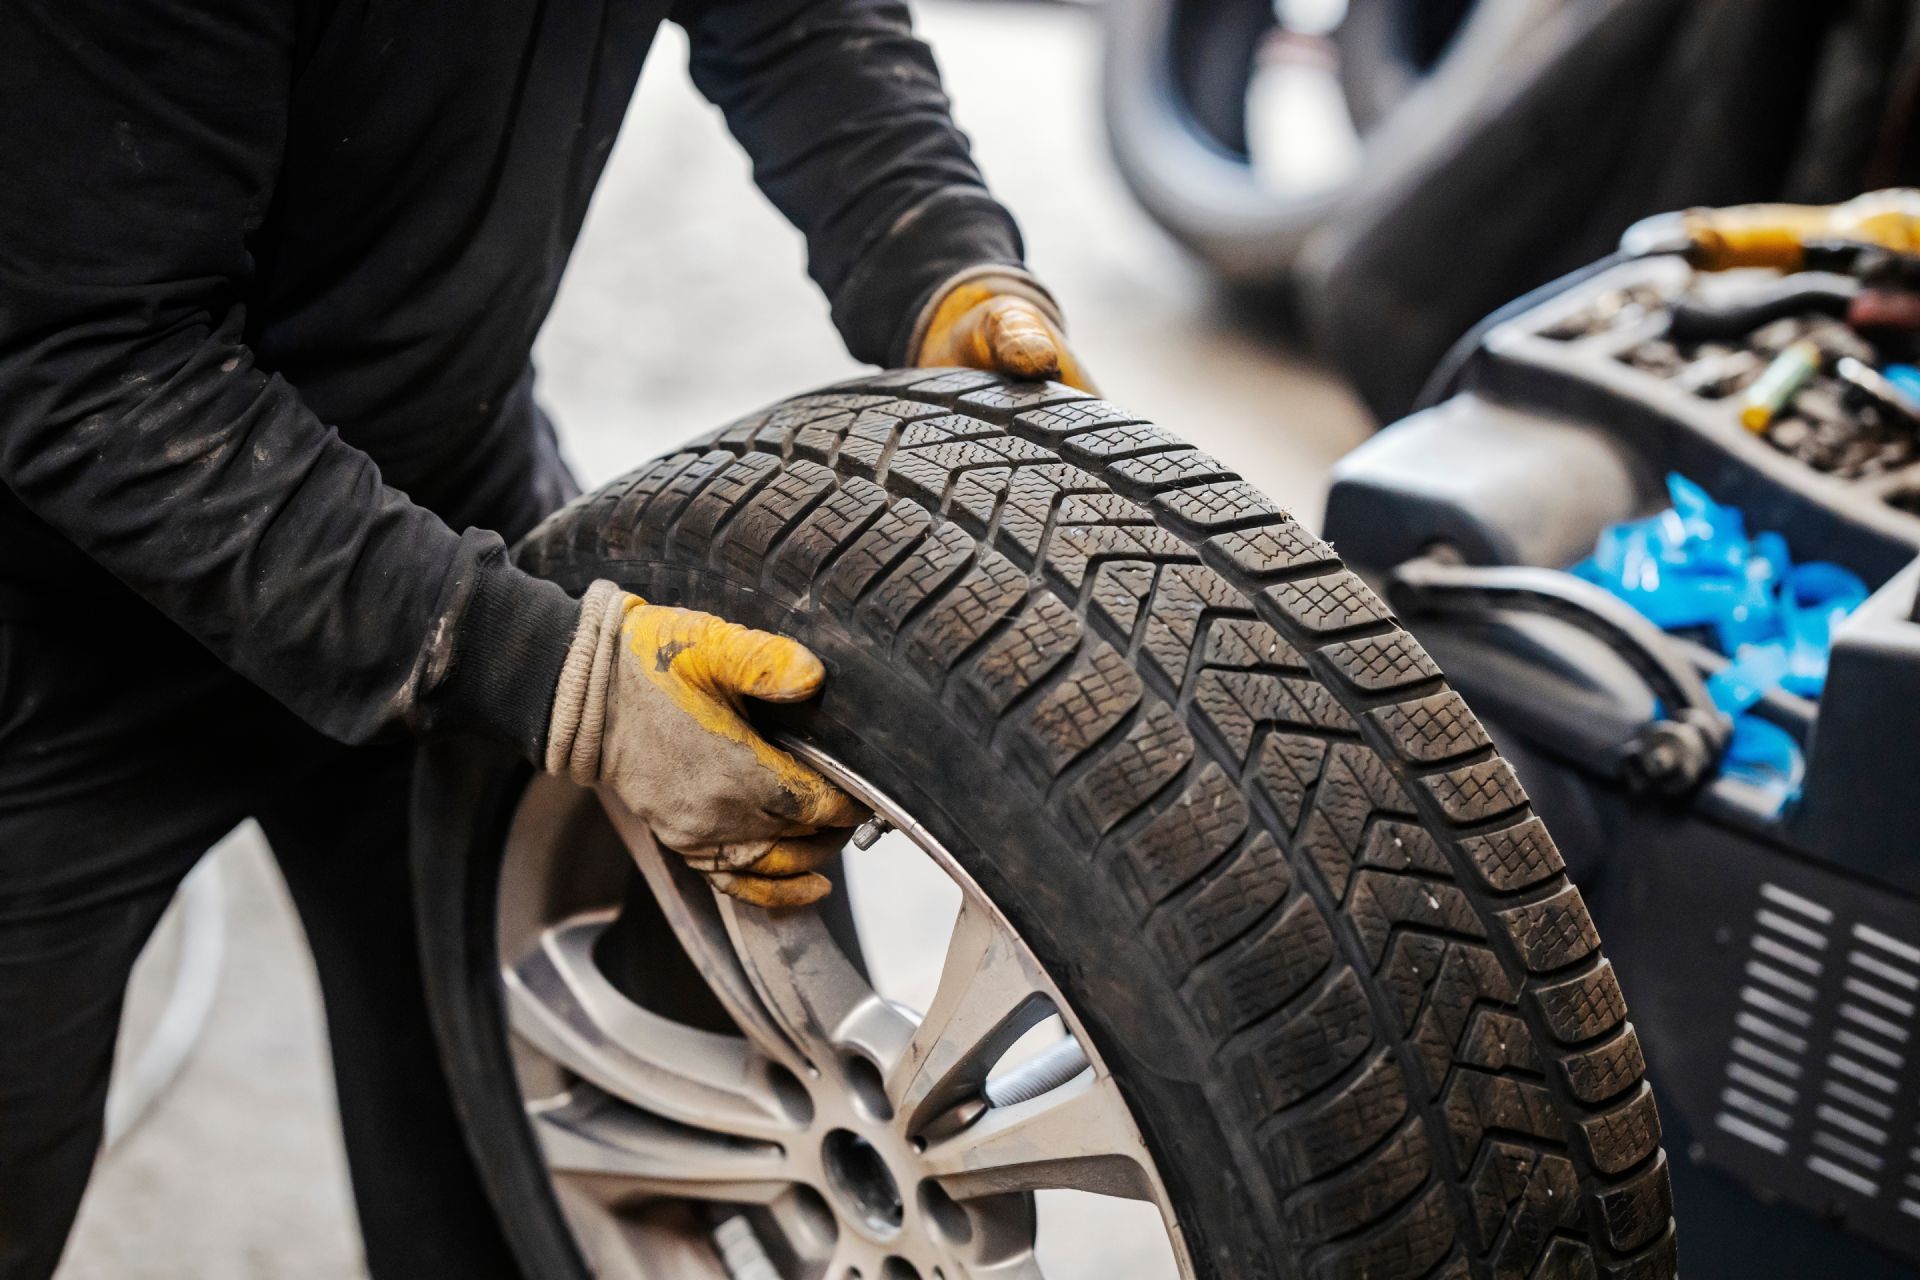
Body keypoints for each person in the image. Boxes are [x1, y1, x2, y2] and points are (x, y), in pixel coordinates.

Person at [0, 1, 1087, 1275]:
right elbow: (86, 368)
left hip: (430, 486)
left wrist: (938, 257)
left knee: (525, 1169)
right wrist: (546, 672)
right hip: (50, 625)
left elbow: (798, 21)